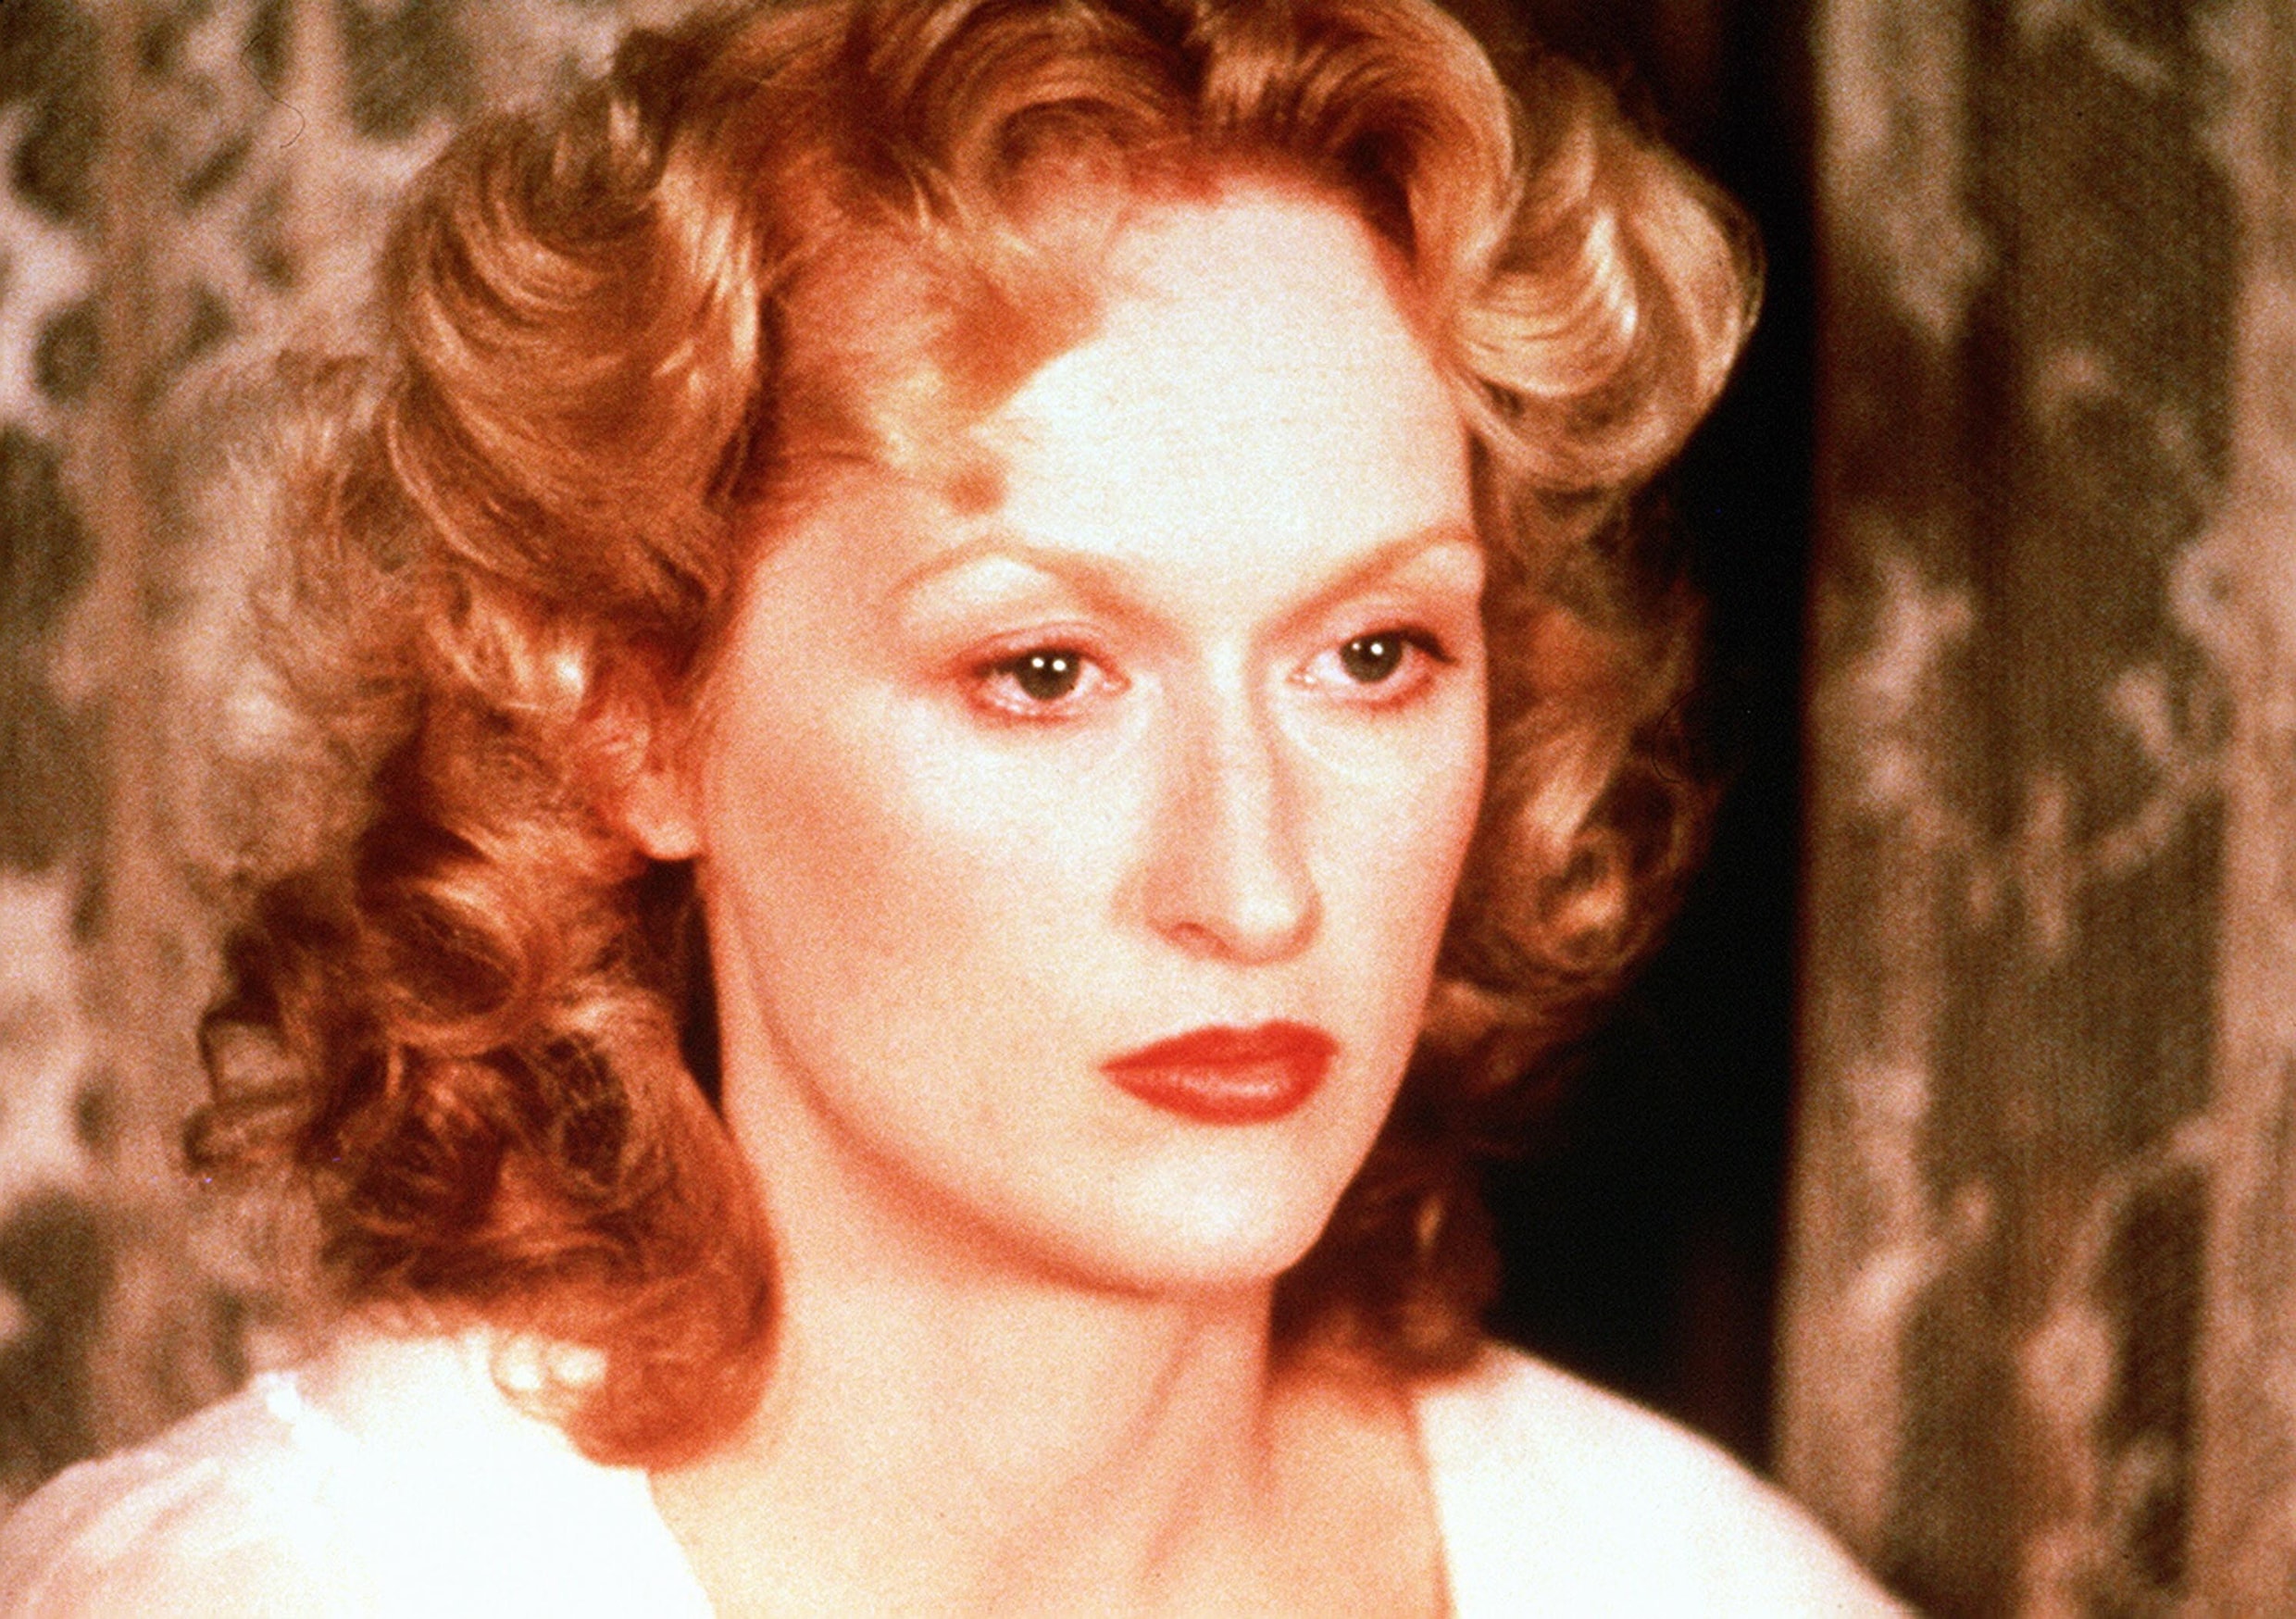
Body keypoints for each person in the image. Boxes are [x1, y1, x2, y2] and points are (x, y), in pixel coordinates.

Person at [1, 0, 1903, 1612]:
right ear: (629, 719)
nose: (1254, 889)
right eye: (1044, 670)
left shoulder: (1697, 1580)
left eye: (1373, 653)